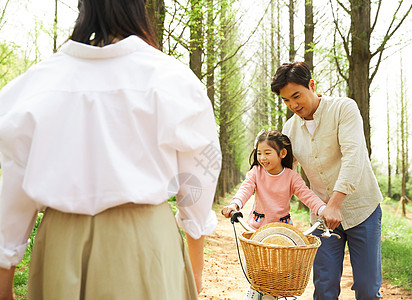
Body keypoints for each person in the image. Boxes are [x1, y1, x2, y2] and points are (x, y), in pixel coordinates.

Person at [0, 1, 221, 299]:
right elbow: (197, 179)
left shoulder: (37, 83)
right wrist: (195, 264)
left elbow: (15, 192)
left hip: (60, 247)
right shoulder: (172, 78)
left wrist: (4, 280)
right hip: (149, 244)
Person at [271, 61, 383, 300]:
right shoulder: (289, 129)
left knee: (366, 288)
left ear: (311, 85)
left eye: (296, 96)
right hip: (322, 216)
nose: (293, 105)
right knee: (324, 288)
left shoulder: (344, 108)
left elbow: (355, 156)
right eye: (286, 100)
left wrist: (335, 204)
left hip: (362, 209)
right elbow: (286, 174)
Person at [221, 130, 327, 300]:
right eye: (259, 153)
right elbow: (245, 189)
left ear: (282, 153)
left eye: (267, 153)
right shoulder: (256, 172)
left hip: (283, 233)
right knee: (255, 271)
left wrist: (323, 210)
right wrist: (234, 205)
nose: (262, 158)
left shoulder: (291, 177)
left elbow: (307, 195)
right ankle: (255, 290)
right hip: (257, 230)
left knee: (281, 274)